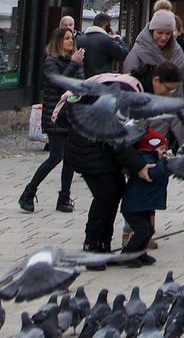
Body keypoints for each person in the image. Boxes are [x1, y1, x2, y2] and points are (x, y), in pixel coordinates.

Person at [62, 78, 142, 257]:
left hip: (99, 153)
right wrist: (139, 165)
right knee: (106, 195)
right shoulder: (105, 101)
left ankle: (104, 243)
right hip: (88, 154)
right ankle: (92, 243)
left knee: (115, 190)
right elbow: (117, 141)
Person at [20, 26, 84, 213]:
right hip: (55, 116)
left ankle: (64, 197)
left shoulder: (75, 61)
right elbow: (58, 83)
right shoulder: (51, 62)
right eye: (66, 39)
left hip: (71, 115)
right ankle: (28, 192)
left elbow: (80, 82)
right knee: (55, 157)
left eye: (71, 38)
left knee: (70, 159)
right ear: (58, 41)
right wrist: (73, 64)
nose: (70, 41)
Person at [119, 118, 171, 266]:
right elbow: (154, 174)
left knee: (149, 230)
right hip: (134, 206)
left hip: (144, 204)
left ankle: (141, 253)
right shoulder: (145, 160)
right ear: (151, 148)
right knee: (142, 230)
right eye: (161, 149)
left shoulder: (152, 158)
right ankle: (127, 255)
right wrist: (165, 163)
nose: (163, 152)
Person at [124, 9, 184, 94]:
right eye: (160, 33)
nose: (164, 37)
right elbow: (129, 85)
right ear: (152, 31)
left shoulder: (177, 52)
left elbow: (182, 86)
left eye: (168, 34)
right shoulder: (137, 53)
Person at [78, 12, 128, 76]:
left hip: (83, 81)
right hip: (102, 80)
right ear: (107, 26)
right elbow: (124, 53)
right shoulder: (107, 40)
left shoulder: (80, 39)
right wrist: (117, 37)